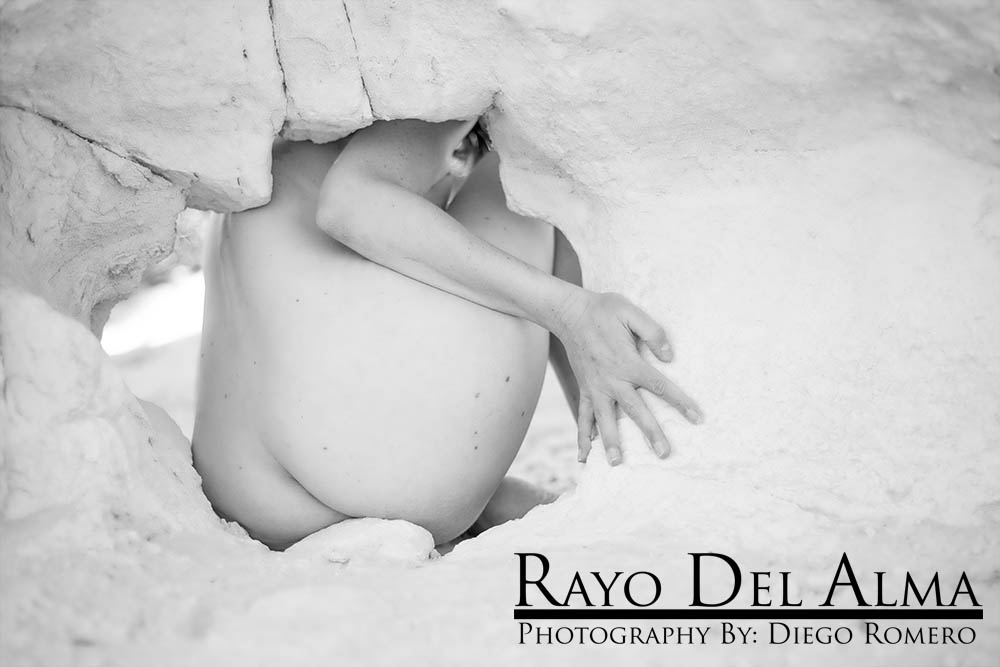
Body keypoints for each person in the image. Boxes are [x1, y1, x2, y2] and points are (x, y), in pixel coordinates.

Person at [191, 118, 701, 550]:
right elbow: (350, 205)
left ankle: (523, 473)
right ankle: (616, 451)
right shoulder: (425, 80)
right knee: (535, 165)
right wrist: (572, 311)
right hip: (384, 470)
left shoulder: (276, 138)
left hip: (251, 499)